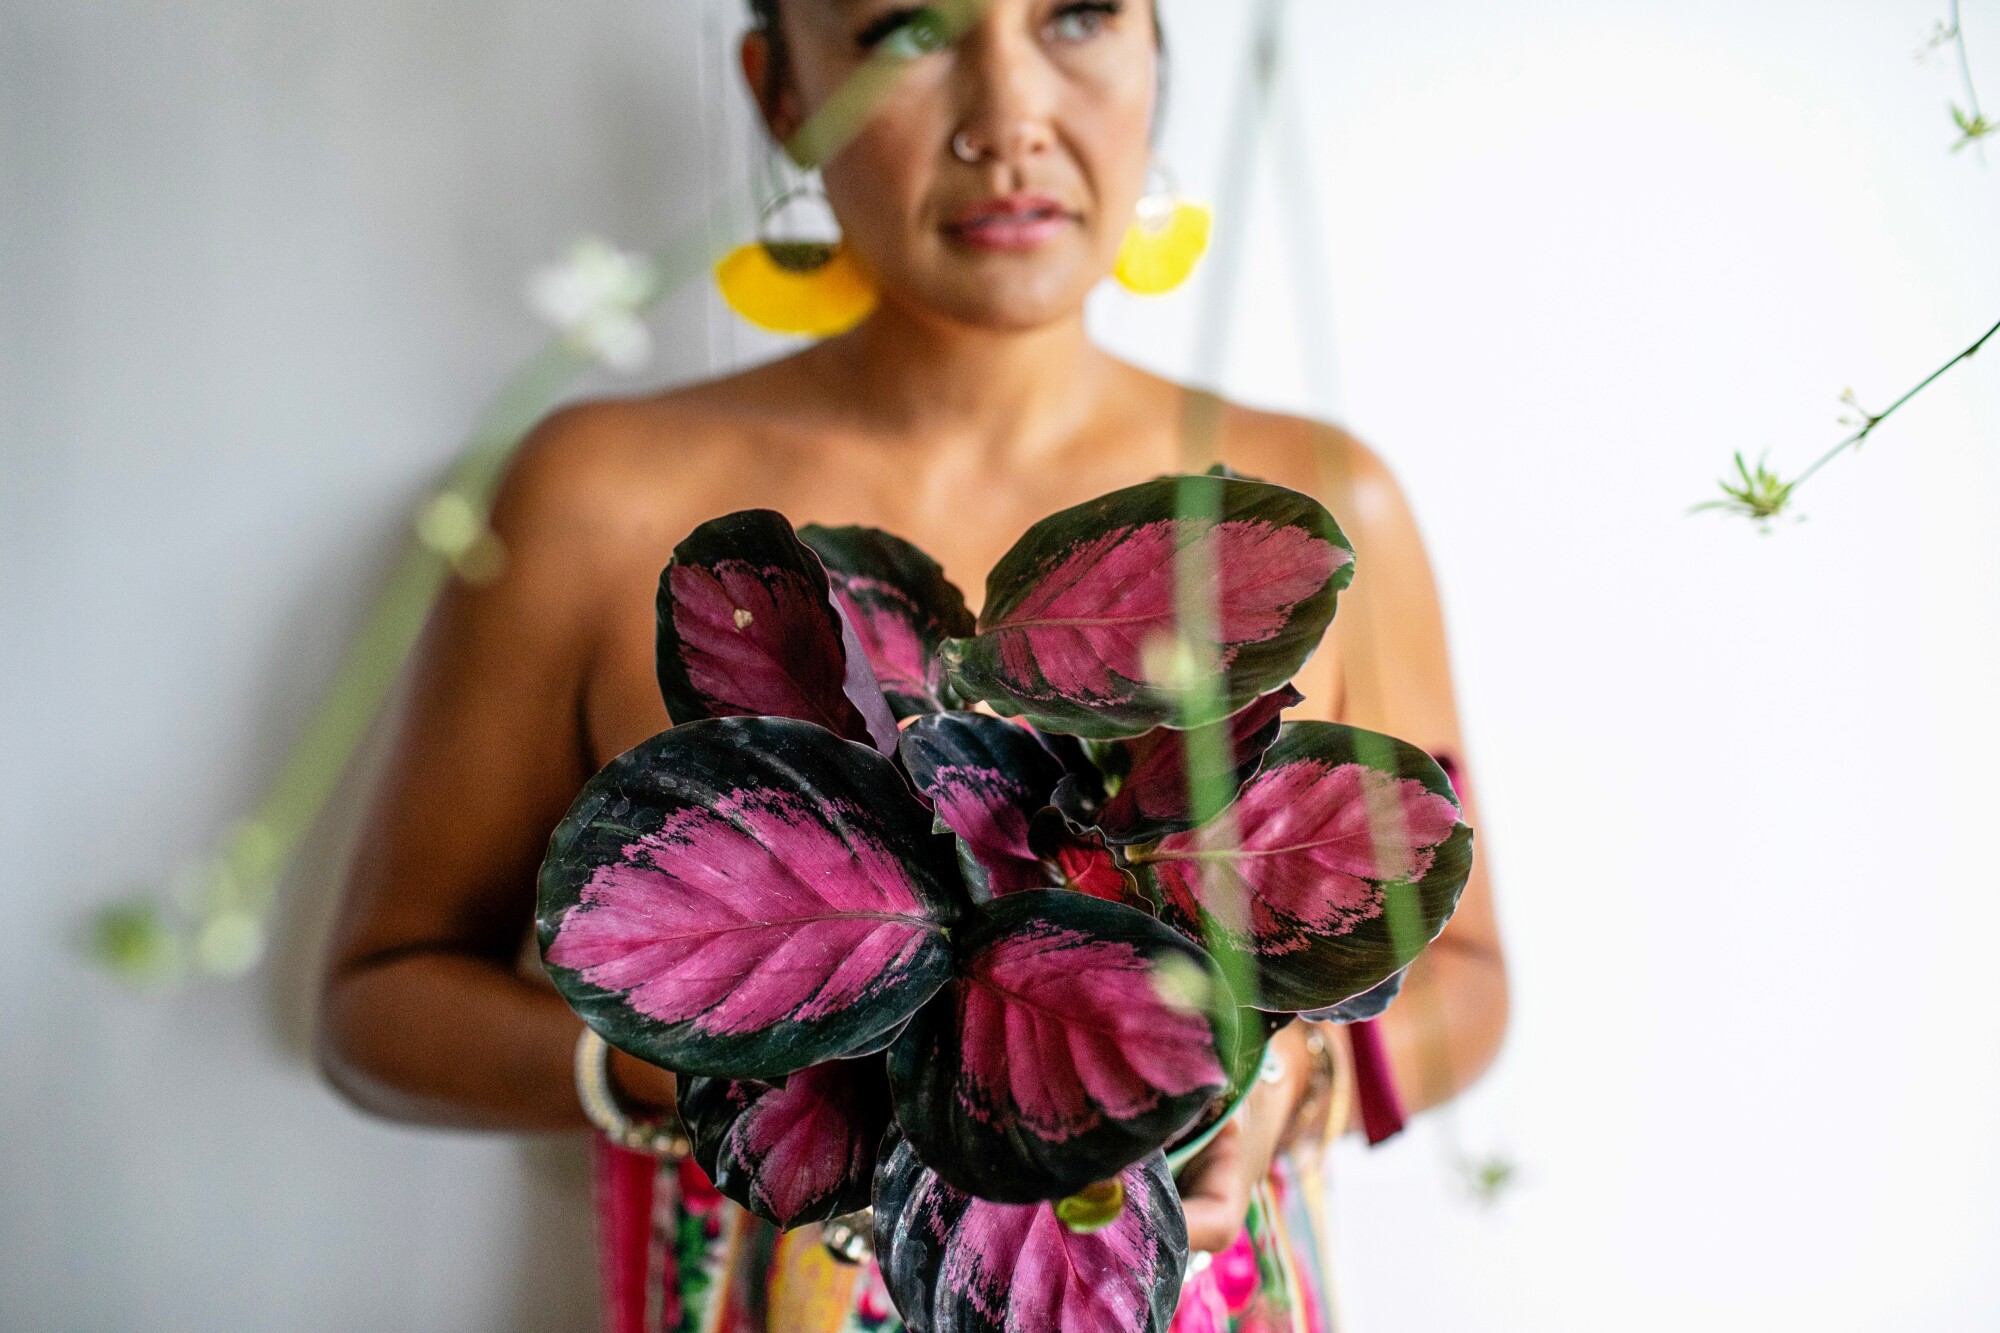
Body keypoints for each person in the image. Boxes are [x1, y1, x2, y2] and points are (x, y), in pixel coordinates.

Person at [316, 1, 1508, 1328]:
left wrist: (1272, 1077)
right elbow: (383, 1003)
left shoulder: (1308, 515)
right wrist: (731, 1051)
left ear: (1158, 51)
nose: (1008, 117)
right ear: (777, 90)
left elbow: (1466, 974)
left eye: (1076, 16)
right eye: (904, 28)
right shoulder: (597, 498)